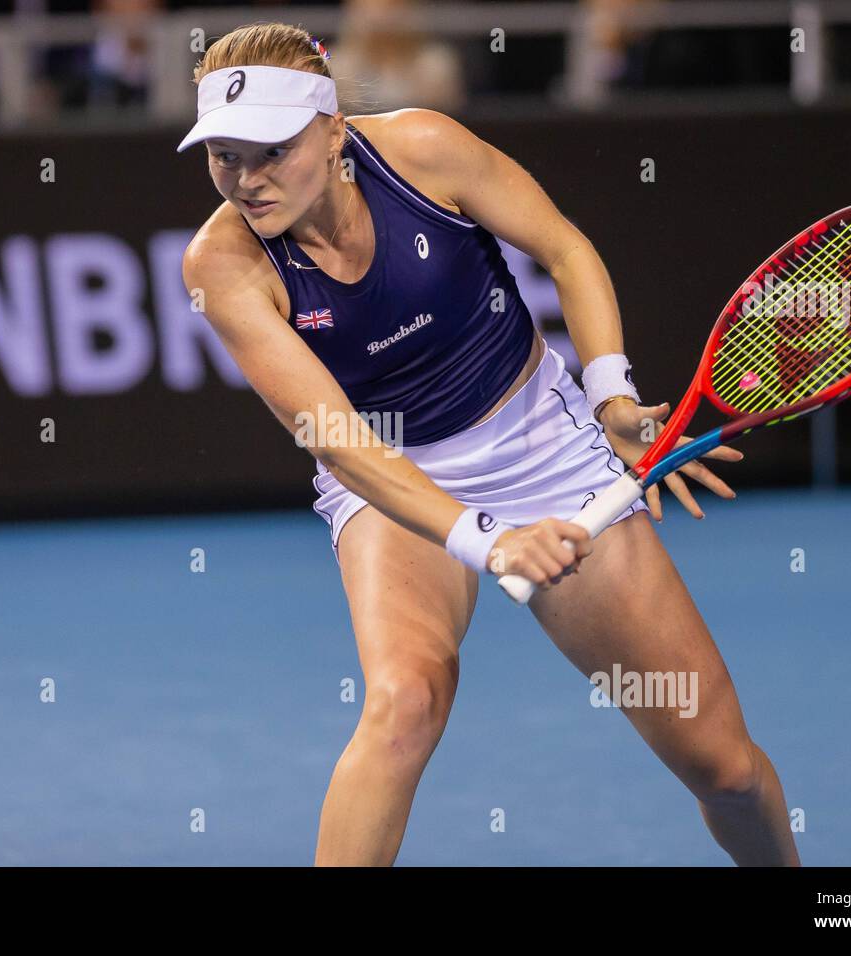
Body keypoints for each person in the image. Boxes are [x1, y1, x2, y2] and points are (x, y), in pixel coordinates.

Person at [178, 21, 800, 867]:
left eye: (271, 152)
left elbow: (565, 251)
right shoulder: (221, 264)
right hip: (388, 476)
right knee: (405, 702)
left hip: (545, 444)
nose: (246, 181)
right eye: (224, 155)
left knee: (722, 768)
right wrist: (486, 537)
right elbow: (344, 444)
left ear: (331, 133)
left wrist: (610, 394)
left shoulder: (425, 150)